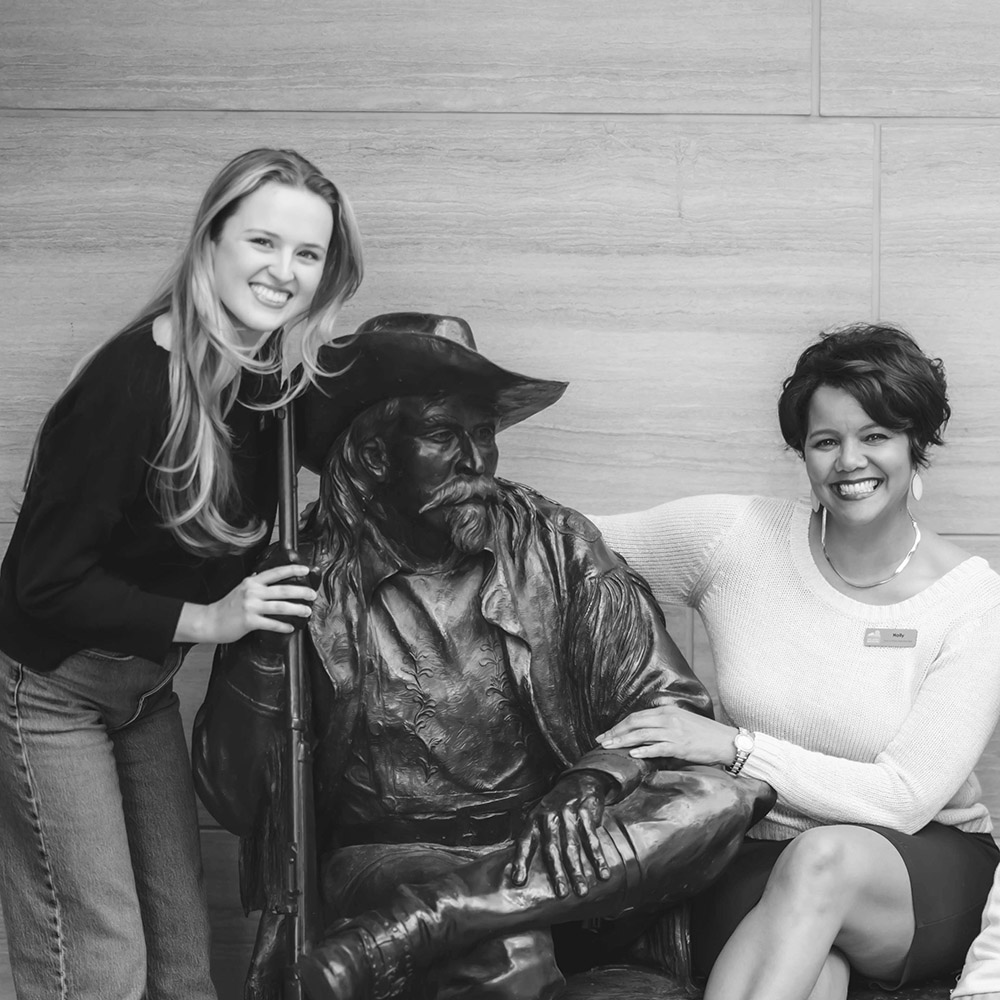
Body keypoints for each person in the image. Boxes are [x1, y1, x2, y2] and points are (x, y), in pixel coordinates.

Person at [192, 312, 774, 1000]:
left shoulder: (554, 544)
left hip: (550, 843)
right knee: (506, 947)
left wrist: (591, 780)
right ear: (376, 454)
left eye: (484, 434)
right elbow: (233, 795)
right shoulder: (306, 573)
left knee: (719, 794)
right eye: (444, 435)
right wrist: (265, 639)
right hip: (390, 859)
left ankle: (430, 923)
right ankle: (450, 912)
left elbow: (667, 704)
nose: (476, 461)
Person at [0, 148, 363, 1000]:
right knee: (98, 955)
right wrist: (209, 621)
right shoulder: (134, 381)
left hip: (143, 691)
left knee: (181, 953)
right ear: (212, 240)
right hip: (49, 689)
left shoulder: (266, 381)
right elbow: (40, 585)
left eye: (306, 254)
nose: (283, 273)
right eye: (263, 242)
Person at [589, 323, 1000, 1000]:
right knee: (815, 976)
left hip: (918, 864)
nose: (850, 461)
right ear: (802, 453)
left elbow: (902, 799)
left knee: (824, 859)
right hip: (756, 853)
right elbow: (563, 545)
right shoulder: (735, 540)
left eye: (875, 436)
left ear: (914, 444)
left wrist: (735, 749)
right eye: (825, 441)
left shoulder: (971, 600)